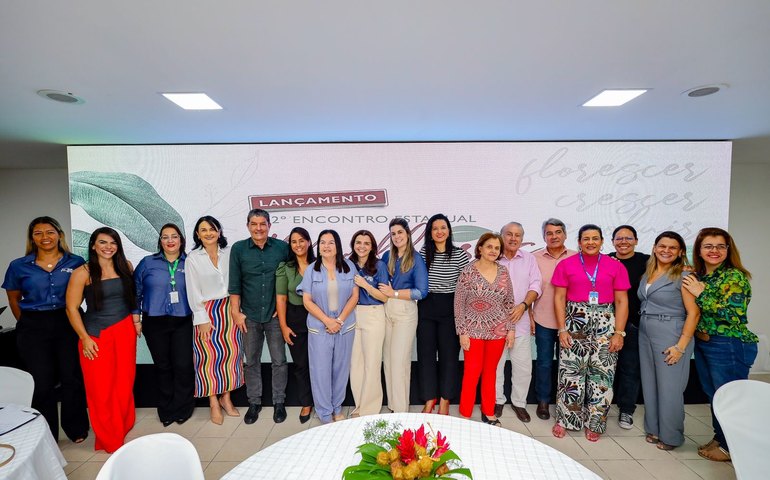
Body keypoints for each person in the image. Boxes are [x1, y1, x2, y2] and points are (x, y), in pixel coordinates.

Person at [2, 216, 89, 443]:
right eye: (38, 233)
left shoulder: (76, 261)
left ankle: (76, 428)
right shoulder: (18, 266)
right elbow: (13, 298)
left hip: (67, 322)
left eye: (49, 232)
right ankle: (48, 433)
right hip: (34, 326)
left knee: (72, 377)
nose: (45, 237)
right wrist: (28, 323)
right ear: (32, 238)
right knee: (42, 382)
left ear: (59, 234)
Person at [683, 227, 758, 462]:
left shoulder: (734, 276)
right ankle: (721, 438)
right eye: (708, 246)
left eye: (720, 246)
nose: (714, 251)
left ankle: (732, 447)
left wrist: (700, 293)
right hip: (706, 344)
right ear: (699, 250)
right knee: (715, 395)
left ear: (728, 249)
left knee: (731, 398)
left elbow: (733, 314)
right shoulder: (703, 276)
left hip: (729, 345)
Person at [551, 224, 630, 442]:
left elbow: (622, 301)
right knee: (570, 374)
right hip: (575, 322)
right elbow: (559, 298)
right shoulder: (566, 265)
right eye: (586, 238)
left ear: (602, 241)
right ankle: (566, 420)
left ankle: (595, 423)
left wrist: (619, 333)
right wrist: (562, 329)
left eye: (595, 238)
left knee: (602, 375)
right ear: (579, 242)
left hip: (606, 323)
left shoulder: (615, 266)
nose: (591, 242)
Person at [65, 227, 139, 453]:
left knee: (124, 383)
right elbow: (71, 308)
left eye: (112, 242)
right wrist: (84, 338)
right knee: (101, 389)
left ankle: (122, 426)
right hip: (97, 336)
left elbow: (131, 298)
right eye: (103, 242)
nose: (108, 247)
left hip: (125, 331)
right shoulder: (82, 272)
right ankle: (109, 439)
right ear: (93, 245)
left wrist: (136, 322)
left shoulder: (126, 266)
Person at [638, 231, 699, 450]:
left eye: (672, 247)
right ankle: (654, 429)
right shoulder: (649, 271)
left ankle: (672, 436)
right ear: (655, 248)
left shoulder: (684, 276)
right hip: (645, 331)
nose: (666, 250)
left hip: (671, 333)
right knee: (650, 383)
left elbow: (693, 313)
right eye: (662, 246)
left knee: (670, 388)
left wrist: (681, 346)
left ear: (680, 252)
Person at [229, 209, 290, 424]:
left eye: (262, 224)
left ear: (269, 226)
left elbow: (292, 278)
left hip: (274, 315)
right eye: (254, 224)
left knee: (279, 361)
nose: (258, 228)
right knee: (251, 361)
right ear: (248, 226)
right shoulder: (238, 249)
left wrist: (285, 308)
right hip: (249, 316)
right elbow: (234, 284)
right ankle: (254, 403)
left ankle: (279, 402)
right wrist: (236, 313)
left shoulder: (282, 248)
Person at [133, 223, 195, 427]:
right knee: (163, 366)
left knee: (183, 365)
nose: (170, 241)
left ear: (181, 240)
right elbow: (136, 292)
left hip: (183, 321)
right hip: (155, 321)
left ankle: (183, 408)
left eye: (174, 236)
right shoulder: (148, 263)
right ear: (160, 241)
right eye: (165, 237)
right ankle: (166, 409)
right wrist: (136, 318)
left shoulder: (191, 262)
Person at [185, 216, 243, 425]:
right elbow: (192, 290)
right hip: (207, 312)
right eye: (203, 230)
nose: (208, 233)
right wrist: (201, 317)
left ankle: (226, 399)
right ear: (197, 235)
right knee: (208, 359)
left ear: (219, 231)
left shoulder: (229, 253)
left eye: (212, 229)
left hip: (230, 309)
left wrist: (238, 309)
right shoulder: (193, 258)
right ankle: (213, 403)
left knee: (231, 356)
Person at [297, 229, 359, 423]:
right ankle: (324, 413)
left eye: (330, 242)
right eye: (322, 242)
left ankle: (337, 407)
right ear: (318, 246)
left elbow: (355, 296)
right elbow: (307, 300)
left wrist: (339, 320)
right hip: (320, 328)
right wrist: (327, 320)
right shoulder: (311, 269)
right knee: (320, 371)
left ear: (338, 245)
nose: (326, 246)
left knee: (340, 369)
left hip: (344, 327)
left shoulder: (349, 266)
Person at [454, 232, 515, 426]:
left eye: (497, 248)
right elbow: (459, 303)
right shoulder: (468, 271)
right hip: (472, 330)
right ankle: (465, 413)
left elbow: (509, 302)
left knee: (491, 373)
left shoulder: (504, 271)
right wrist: (462, 331)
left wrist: (511, 329)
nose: (493, 251)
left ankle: (489, 412)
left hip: (498, 330)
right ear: (480, 248)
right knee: (472, 372)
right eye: (489, 246)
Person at [417, 214, 469, 415]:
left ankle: (445, 399)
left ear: (449, 231)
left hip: (451, 307)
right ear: (430, 233)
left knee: (449, 356)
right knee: (426, 355)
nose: (439, 231)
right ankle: (430, 398)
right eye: (435, 228)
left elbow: (465, 288)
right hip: (426, 306)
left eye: (443, 227)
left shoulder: (459, 255)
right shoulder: (422, 254)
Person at [378, 218, 428, 413]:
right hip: (387, 309)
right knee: (389, 361)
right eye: (393, 233)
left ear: (407, 233)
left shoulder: (416, 259)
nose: (397, 236)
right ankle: (393, 405)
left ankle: (401, 410)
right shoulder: (386, 257)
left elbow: (422, 291)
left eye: (400, 232)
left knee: (399, 362)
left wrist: (395, 293)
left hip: (405, 311)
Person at [494, 222, 541, 422]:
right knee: (496, 367)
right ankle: (497, 401)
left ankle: (519, 403)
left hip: (520, 321)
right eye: (509, 234)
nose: (513, 238)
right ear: (501, 236)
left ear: (522, 238)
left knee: (523, 367)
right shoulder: (492, 258)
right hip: (495, 324)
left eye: (518, 235)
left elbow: (536, 284)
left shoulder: (529, 259)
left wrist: (524, 306)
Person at [532, 218, 576, 420]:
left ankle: (566, 402)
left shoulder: (577, 257)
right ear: (544, 237)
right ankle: (543, 401)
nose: (554, 236)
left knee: (569, 364)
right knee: (544, 363)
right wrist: (531, 314)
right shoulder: (534, 258)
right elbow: (529, 288)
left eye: (558, 232)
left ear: (565, 235)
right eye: (549, 233)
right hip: (543, 319)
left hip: (573, 322)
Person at [609, 225, 650, 430]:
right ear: (612, 241)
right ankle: (603, 405)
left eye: (628, 238)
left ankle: (626, 410)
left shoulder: (648, 262)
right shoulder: (606, 260)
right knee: (605, 369)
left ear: (636, 240)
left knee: (630, 369)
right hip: (606, 324)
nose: (623, 242)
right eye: (619, 238)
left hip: (634, 324)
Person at [276, 227, 315, 423]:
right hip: (296, 319)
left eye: (302, 240)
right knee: (301, 364)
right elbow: (281, 299)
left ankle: (324, 401)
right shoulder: (286, 267)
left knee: (322, 364)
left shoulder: (320, 265)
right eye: (294, 241)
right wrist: (283, 326)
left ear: (309, 242)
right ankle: (306, 402)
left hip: (319, 317)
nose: (298, 244)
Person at [349, 230, 390, 417]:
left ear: (372, 246)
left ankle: (370, 408)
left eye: (366, 243)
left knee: (372, 363)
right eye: (359, 242)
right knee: (355, 364)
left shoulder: (379, 266)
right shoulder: (348, 264)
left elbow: (384, 297)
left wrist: (365, 285)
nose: (362, 246)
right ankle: (359, 405)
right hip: (353, 315)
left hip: (373, 314)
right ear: (353, 244)